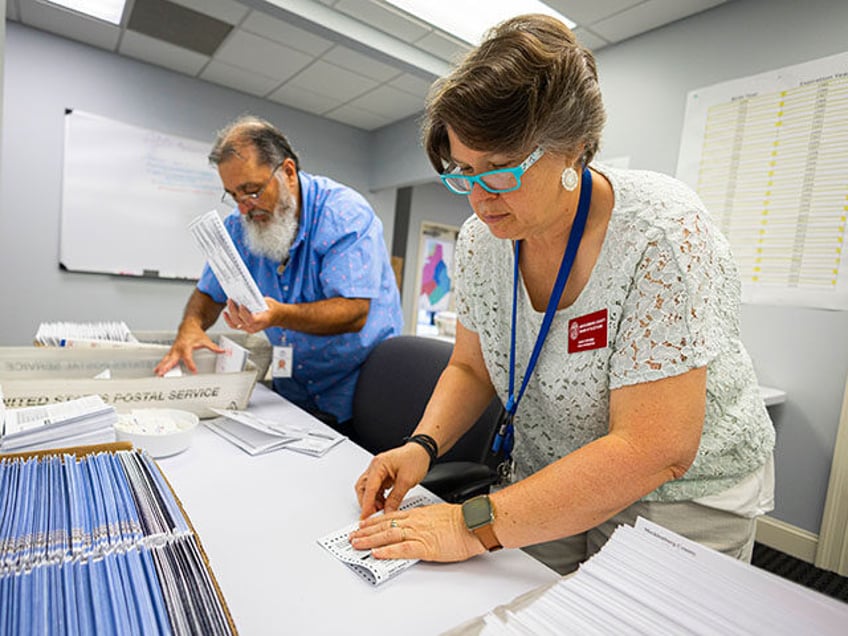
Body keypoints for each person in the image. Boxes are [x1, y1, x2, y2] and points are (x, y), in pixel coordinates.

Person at [350, 14, 775, 574]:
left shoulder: (663, 233)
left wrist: (465, 524)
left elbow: (655, 447)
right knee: (505, 606)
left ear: (573, 150)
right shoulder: (482, 241)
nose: (478, 198)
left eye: (500, 171)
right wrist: (421, 447)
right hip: (549, 473)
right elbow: (473, 369)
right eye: (464, 171)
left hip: (679, 494)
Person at [155, 115, 403, 431]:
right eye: (233, 195)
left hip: (358, 384)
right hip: (293, 384)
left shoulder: (344, 214)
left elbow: (353, 312)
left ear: (287, 172)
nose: (244, 208)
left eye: (252, 190)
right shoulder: (239, 225)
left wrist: (278, 314)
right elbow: (208, 293)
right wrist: (190, 327)